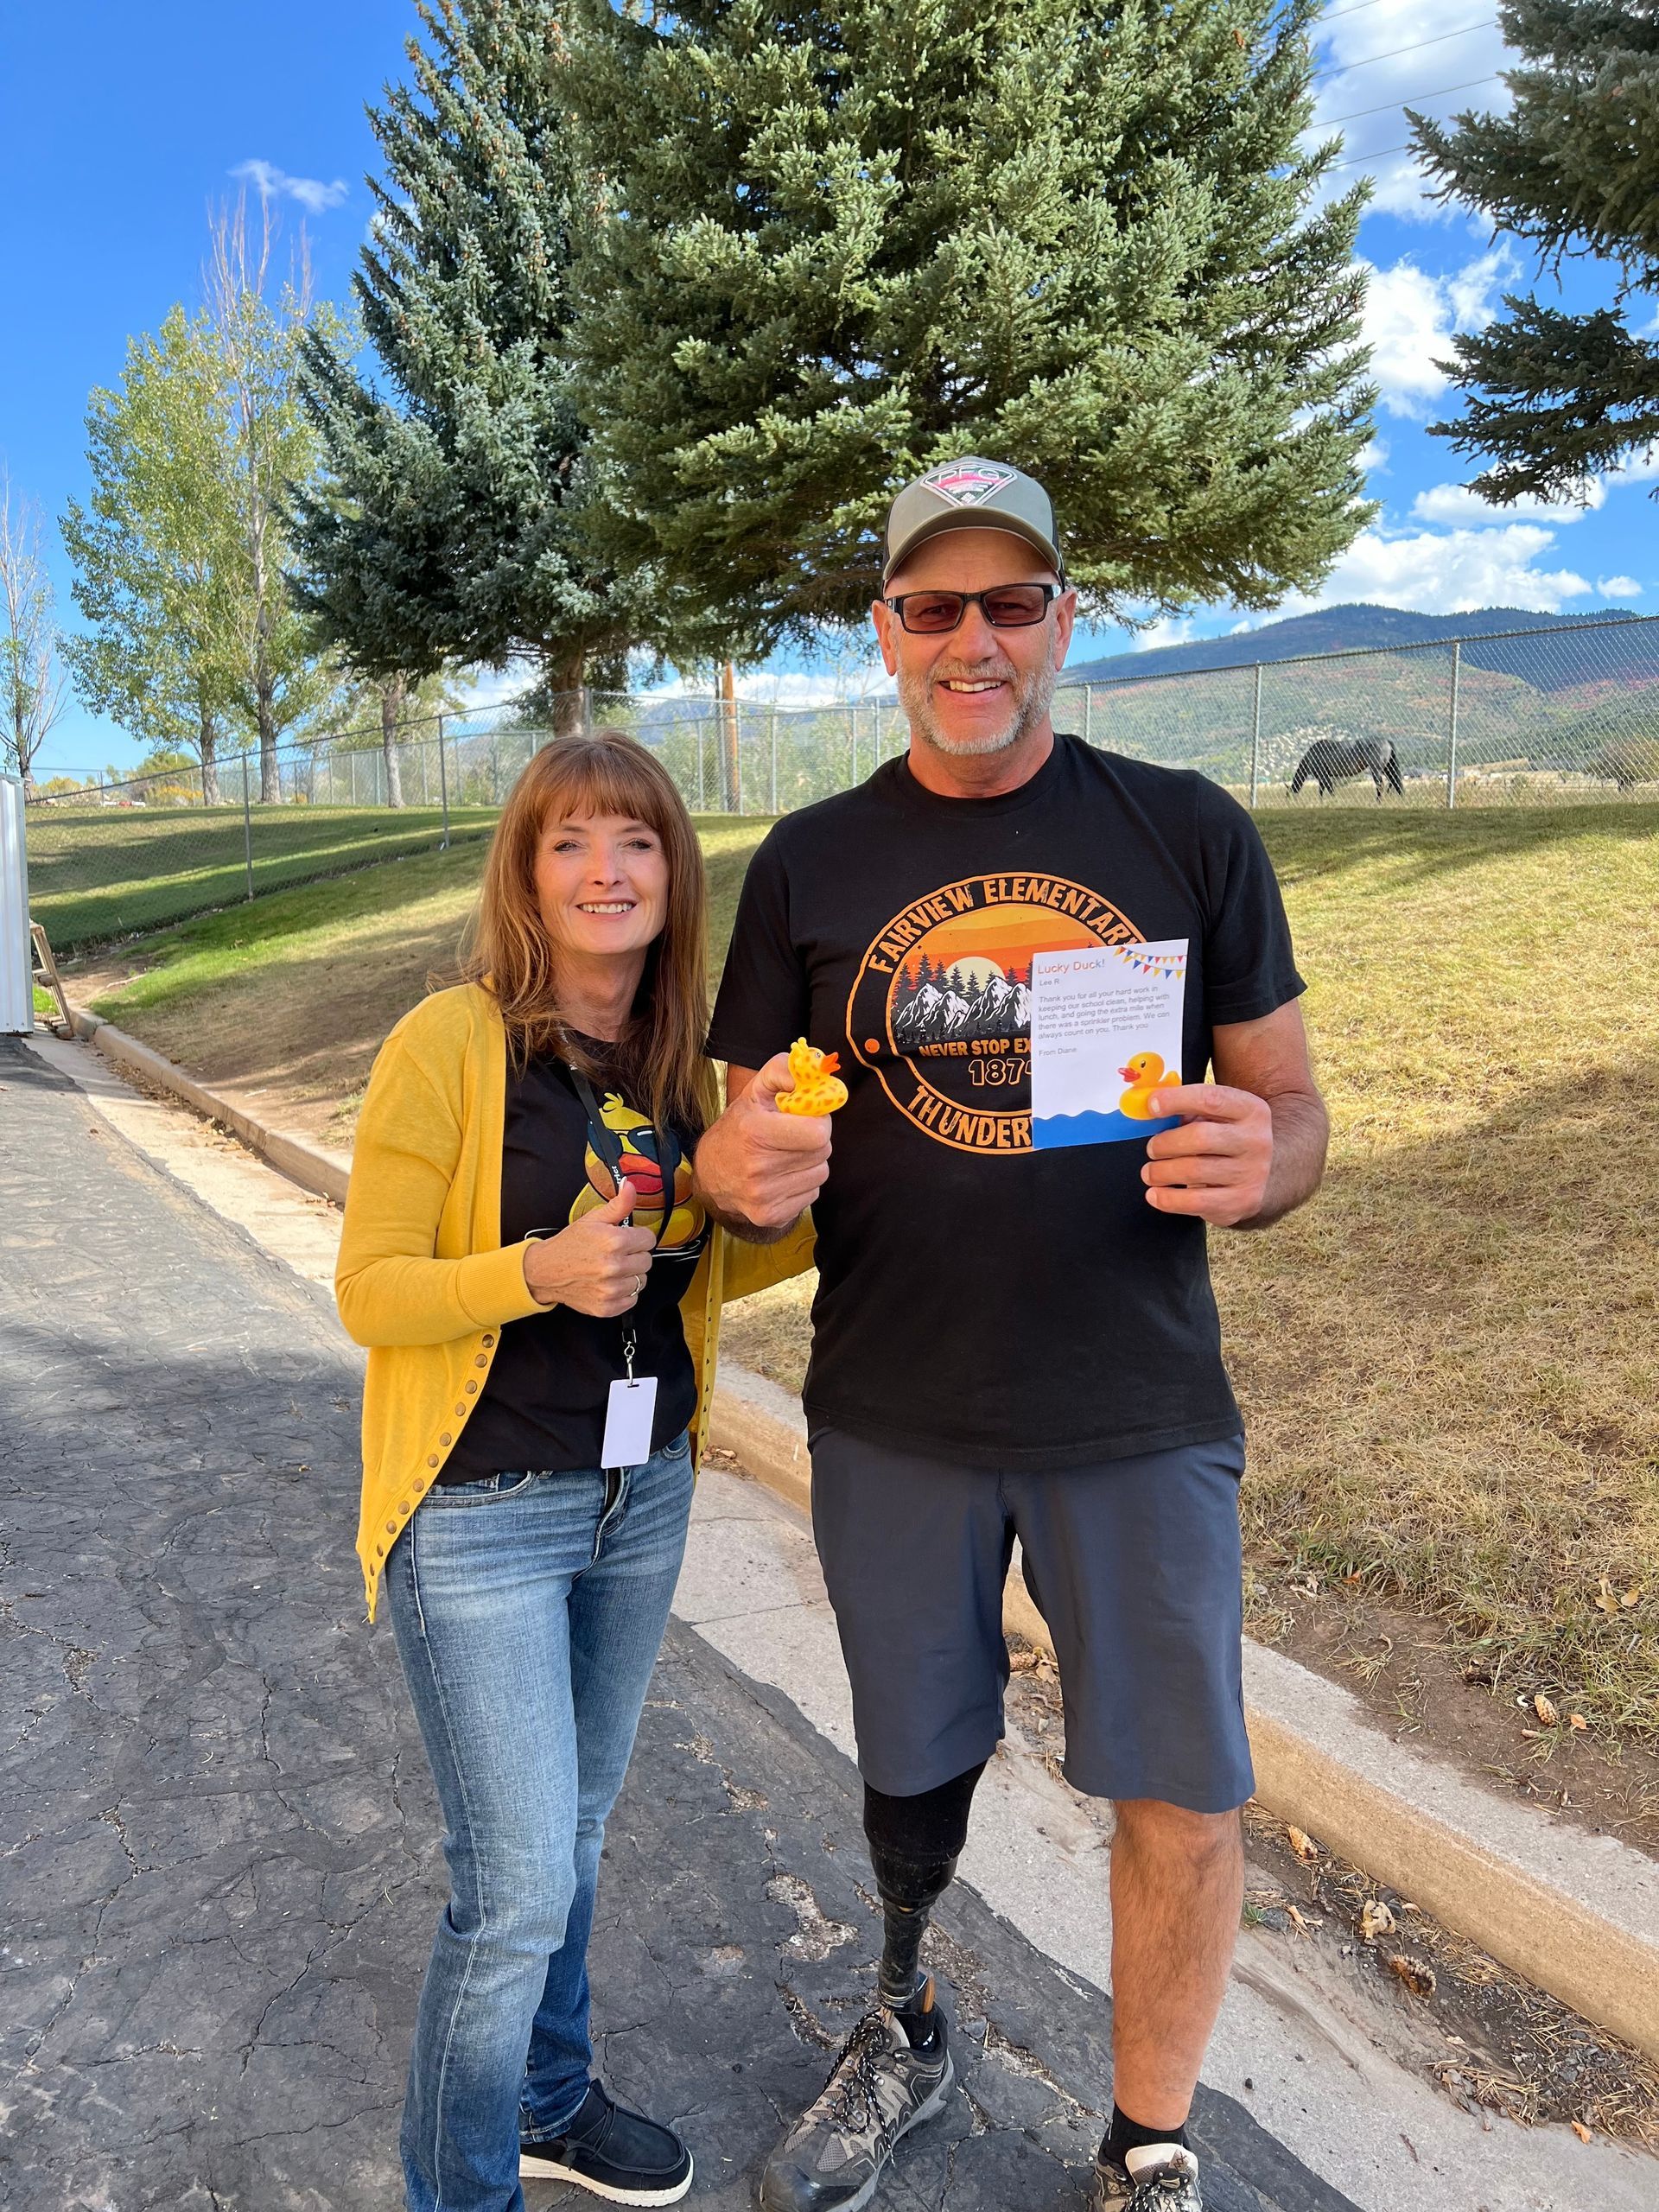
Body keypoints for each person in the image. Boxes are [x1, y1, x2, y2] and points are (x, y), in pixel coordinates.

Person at [693, 461, 1328, 2212]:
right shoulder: (813, 863)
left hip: (1136, 1403)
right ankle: (898, 2015)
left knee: (1184, 1785)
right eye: (934, 606)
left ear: (1066, 616)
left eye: (1012, 601)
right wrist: (739, 1175)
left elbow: (1293, 1113)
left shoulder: (1184, 829)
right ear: (883, 630)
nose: (974, 639)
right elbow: (759, 1153)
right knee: (913, 1755)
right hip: (897, 1403)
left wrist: (1261, 1162)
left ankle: (1147, 2136)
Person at [335, 730, 812, 2212]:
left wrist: (798, 1175)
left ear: (675, 874)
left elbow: (726, 1257)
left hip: (640, 1488)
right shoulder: (450, 1042)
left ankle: (548, 2096)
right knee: (515, 1887)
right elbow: (371, 1290)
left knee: (581, 1836)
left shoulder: (682, 1065)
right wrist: (534, 1268)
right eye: (570, 843)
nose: (607, 871)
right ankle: (458, 2190)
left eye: (638, 842)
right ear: (527, 875)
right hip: (479, 1513)